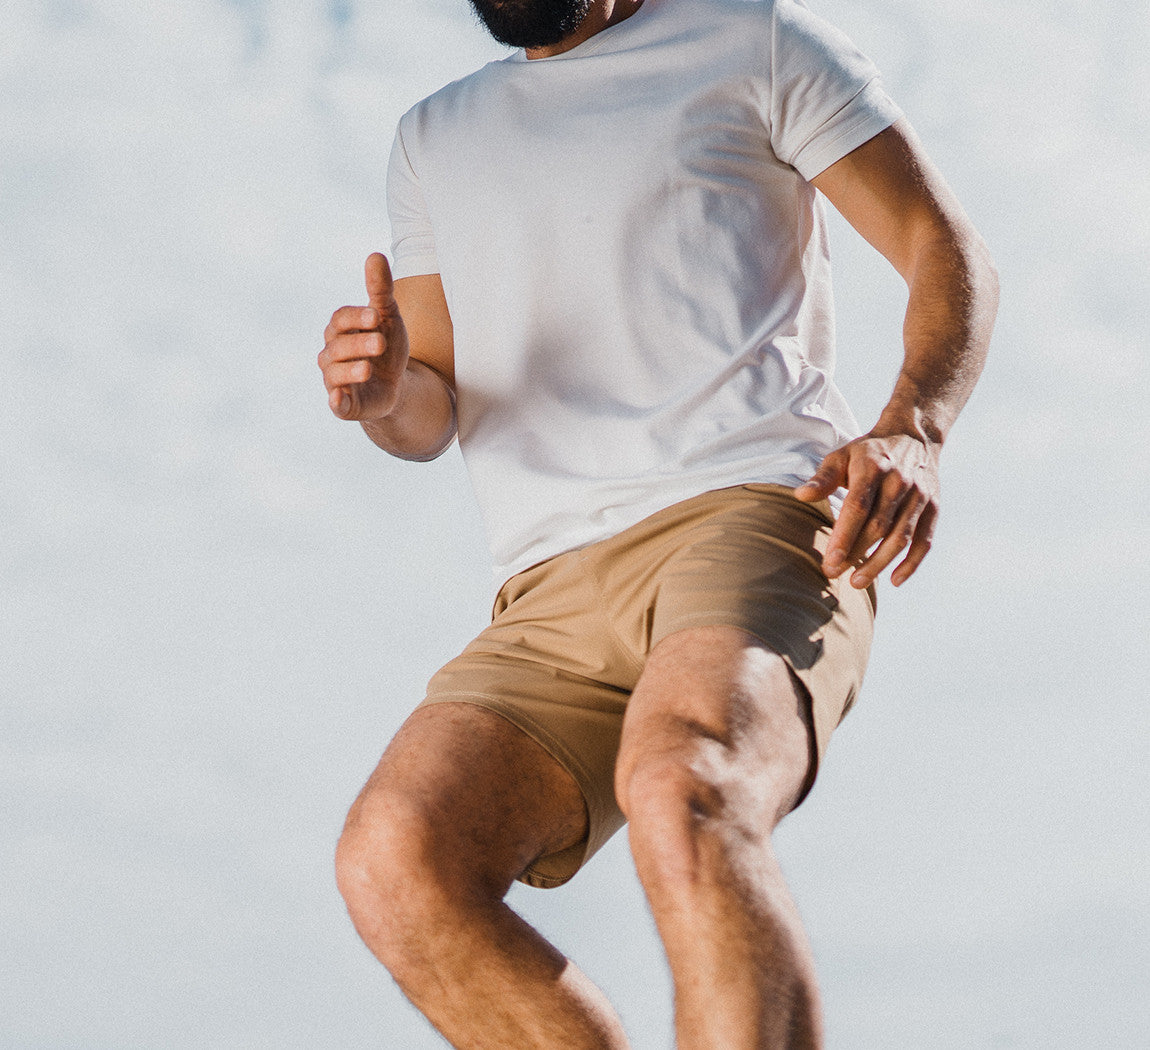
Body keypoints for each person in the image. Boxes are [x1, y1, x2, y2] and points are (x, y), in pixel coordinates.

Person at [319, 0, 998, 1045]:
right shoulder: (434, 136)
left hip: (752, 506)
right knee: (396, 854)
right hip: (547, 584)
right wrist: (385, 392)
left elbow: (941, 247)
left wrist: (913, 425)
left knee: (686, 782)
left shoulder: (756, 40)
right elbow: (433, 406)